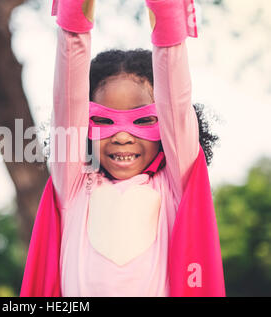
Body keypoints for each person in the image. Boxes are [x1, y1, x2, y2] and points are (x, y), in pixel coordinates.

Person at [20, 0, 225, 297]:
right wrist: (74, 21)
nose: (123, 137)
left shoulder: (172, 187)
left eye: (142, 120)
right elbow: (68, 99)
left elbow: (176, 105)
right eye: (104, 120)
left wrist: (167, 16)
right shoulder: (75, 183)